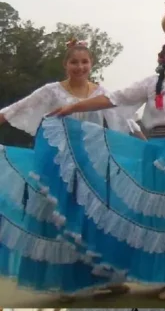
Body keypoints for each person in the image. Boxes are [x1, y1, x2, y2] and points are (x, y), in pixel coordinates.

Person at [49, 36, 165, 300]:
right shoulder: (152, 84)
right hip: (160, 150)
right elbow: (113, 99)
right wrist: (75, 106)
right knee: (164, 213)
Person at [0, 39, 134, 300]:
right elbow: (20, 107)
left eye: (84, 62)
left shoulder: (100, 92)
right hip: (58, 164)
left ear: (91, 64)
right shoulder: (52, 91)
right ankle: (64, 281)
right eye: (74, 62)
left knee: (94, 220)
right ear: (66, 64)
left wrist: (142, 144)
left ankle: (107, 277)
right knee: (61, 218)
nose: (80, 67)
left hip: (92, 164)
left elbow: (122, 120)